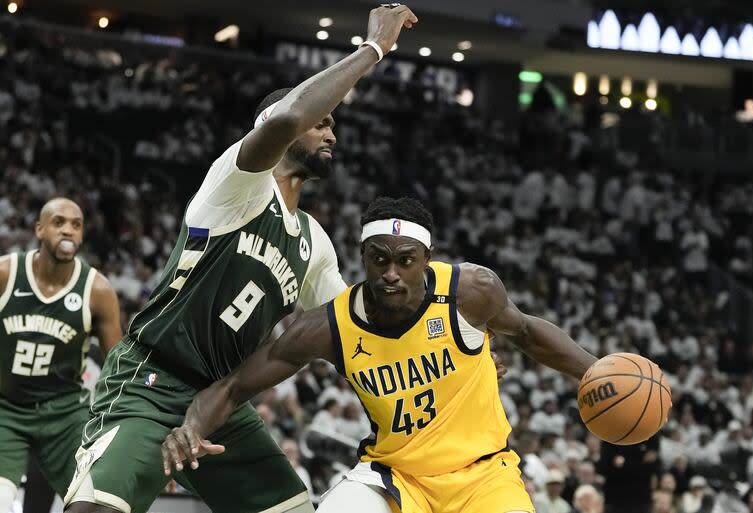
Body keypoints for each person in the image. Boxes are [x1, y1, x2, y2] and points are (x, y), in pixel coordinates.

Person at [63, 6, 419, 513]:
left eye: (333, 126)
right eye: (322, 122)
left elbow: (354, 329)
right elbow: (289, 116)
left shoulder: (315, 241)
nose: (331, 135)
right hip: (152, 381)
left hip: (221, 402)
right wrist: (373, 49)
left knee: (293, 510)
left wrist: (446, 350)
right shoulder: (237, 184)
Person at [161, 196, 597, 513]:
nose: (391, 273)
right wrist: (190, 427)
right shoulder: (330, 327)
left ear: (427, 258)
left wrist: (595, 371)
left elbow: (526, 331)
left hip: (483, 476)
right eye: (379, 260)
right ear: (363, 258)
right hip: (396, 478)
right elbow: (236, 386)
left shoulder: (469, 291)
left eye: (405, 261)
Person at [0, 198, 122, 513]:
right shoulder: (5, 274)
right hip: (6, 410)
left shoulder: (98, 291)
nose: (67, 230)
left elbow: (119, 369)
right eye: (58, 222)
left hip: (65, 415)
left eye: (76, 224)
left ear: (82, 236)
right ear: (39, 229)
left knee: (102, 502)